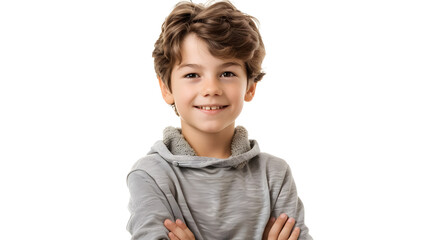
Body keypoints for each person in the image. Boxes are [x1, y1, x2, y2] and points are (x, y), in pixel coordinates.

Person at [126, 1, 312, 239]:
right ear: (166, 88)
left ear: (250, 86)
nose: (211, 88)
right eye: (192, 74)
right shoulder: (150, 175)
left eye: (227, 73)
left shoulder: (274, 174)